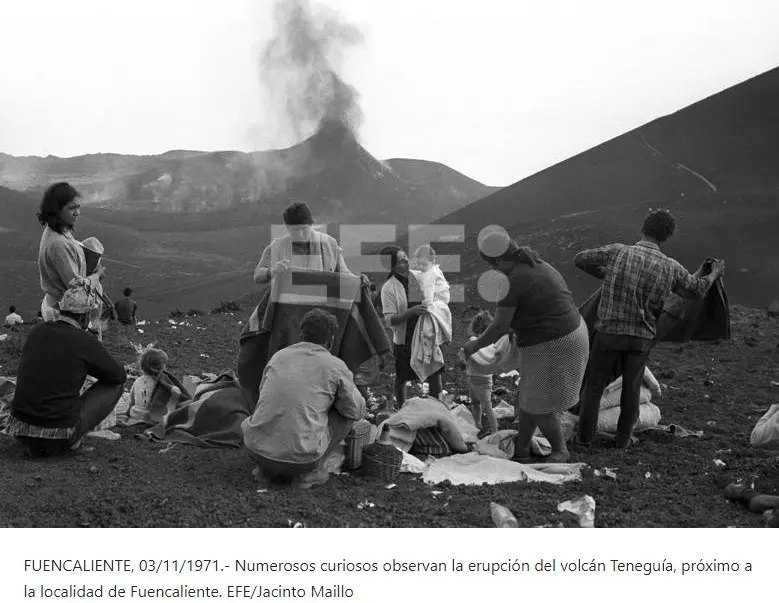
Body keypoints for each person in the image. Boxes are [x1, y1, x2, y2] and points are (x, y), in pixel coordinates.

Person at [573, 209, 724, 449]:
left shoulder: (619, 252)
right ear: (667, 236)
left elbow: (581, 258)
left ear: (643, 227)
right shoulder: (670, 267)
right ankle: (623, 440)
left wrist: (605, 274)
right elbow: (694, 290)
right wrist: (714, 273)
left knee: (594, 386)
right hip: (641, 338)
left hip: (609, 332)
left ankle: (585, 438)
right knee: (631, 389)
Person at [462, 230, 589, 463]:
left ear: (499, 260)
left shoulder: (511, 280)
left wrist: (474, 347)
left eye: (492, 264)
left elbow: (500, 326)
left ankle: (560, 450)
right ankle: (521, 448)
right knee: (529, 398)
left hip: (554, 342)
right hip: (568, 333)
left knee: (539, 403)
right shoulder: (536, 265)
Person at [242, 309, 366, 488]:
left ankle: (264, 470)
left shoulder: (279, 356)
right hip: (302, 459)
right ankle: (310, 473)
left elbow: (263, 394)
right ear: (330, 340)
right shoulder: (335, 366)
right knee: (346, 416)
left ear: (301, 334)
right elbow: (355, 410)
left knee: (271, 409)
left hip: (255, 449)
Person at [6, 282, 126, 457]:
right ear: (84, 317)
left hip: (20, 431)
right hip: (58, 436)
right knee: (116, 385)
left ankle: (39, 442)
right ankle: (71, 441)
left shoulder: (37, 331)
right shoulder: (84, 341)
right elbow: (118, 375)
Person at [380, 246, 444, 409]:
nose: (406, 261)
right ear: (392, 266)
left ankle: (438, 407)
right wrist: (411, 312)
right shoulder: (389, 288)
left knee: (434, 371)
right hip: (405, 337)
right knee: (402, 375)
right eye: (401, 260)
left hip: (426, 333)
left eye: (406, 257)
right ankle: (402, 409)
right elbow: (389, 320)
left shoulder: (418, 276)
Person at [37, 182, 105, 322]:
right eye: (71, 208)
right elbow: (76, 290)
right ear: (56, 210)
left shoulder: (57, 231)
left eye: (78, 207)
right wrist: (97, 276)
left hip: (61, 308)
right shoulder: (59, 243)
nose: (77, 213)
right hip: (65, 315)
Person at [253, 201, 360, 284]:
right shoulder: (277, 247)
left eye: (303, 229)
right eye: (295, 230)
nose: (300, 234)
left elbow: (344, 273)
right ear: (287, 228)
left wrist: (358, 280)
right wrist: (273, 271)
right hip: (288, 305)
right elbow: (258, 275)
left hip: (324, 304)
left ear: (311, 224)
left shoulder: (330, 244)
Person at [461, 310, 520, 437]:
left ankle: (488, 428)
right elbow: (492, 356)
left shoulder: (477, 343)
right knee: (483, 406)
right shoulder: (491, 344)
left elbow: (469, 356)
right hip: (480, 380)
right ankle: (484, 427)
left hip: (476, 380)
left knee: (480, 405)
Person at [125, 347, 182, 425]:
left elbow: (132, 401)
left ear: (142, 367)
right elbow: (171, 397)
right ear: (161, 368)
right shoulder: (162, 383)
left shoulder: (137, 381)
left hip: (135, 416)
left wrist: (128, 412)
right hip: (151, 418)